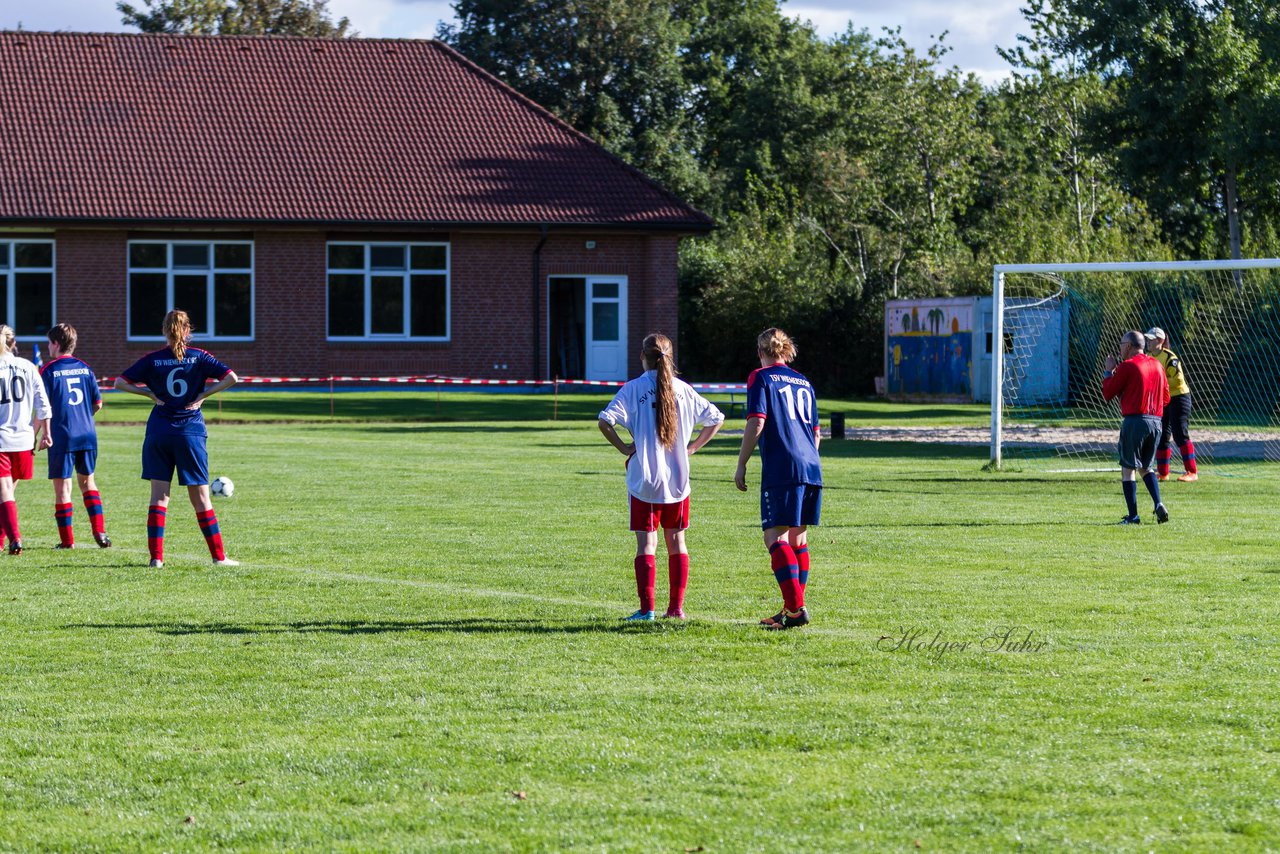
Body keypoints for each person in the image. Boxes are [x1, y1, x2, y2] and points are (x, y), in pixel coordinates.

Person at [598, 333, 725, 621]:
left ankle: (646, 610)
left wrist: (624, 447)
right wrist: (691, 448)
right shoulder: (684, 390)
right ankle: (676, 609)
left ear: (643, 357)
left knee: (647, 545)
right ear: (669, 358)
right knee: (677, 542)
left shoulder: (633, 388)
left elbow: (604, 421)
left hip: (645, 479)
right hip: (678, 480)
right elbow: (716, 418)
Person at [113, 310, 240, 567]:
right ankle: (218, 557)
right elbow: (231, 378)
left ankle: (156, 560)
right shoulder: (200, 356)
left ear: (164, 331)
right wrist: (204, 395)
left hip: (159, 431)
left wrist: (150, 394)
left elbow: (119, 382)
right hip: (189, 432)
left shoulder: (152, 359)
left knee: (159, 497)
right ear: (187, 331)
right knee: (201, 498)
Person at [734, 328, 822, 630]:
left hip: (784, 466)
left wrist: (742, 462)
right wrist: (807, 460)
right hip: (812, 464)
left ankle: (796, 608)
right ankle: (790, 607)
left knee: (774, 537)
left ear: (761, 352)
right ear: (786, 351)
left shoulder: (760, 377)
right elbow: (816, 432)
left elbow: (758, 420)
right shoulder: (804, 381)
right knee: (798, 537)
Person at [40, 323, 111, 549]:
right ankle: (100, 533)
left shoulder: (49, 371)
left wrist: (33, 436)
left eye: (49, 343)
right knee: (88, 483)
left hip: (63, 435)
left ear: (57, 344)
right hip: (88, 435)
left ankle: (67, 541)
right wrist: (82, 416)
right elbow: (97, 404)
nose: (48, 347)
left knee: (63, 488)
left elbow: (43, 408)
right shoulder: (85, 368)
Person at [1102, 330, 1170, 525]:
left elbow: (1107, 392)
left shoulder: (1128, 366)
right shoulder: (1157, 365)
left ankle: (1133, 516)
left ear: (1130, 346)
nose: (1120, 347)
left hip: (1135, 421)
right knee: (1146, 467)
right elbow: (1166, 398)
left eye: (1122, 344)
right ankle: (1158, 503)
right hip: (1156, 422)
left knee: (1128, 468)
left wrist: (1108, 371)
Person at [0, 325, 53, 555]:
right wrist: (46, 433)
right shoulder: (28, 366)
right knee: (7, 493)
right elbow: (43, 404)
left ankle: (15, 538)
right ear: (14, 344)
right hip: (24, 440)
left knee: (5, 493)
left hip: (2, 438)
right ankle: (2, 541)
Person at [1145, 327, 1198, 482]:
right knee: (1161, 436)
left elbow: (1177, 380)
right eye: (1147, 339)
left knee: (1180, 434)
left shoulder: (1169, 357)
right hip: (1163, 400)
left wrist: (1158, 383)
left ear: (1160, 341)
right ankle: (1163, 473)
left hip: (1179, 398)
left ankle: (1192, 472)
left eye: (1152, 339)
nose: (1148, 341)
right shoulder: (1148, 356)